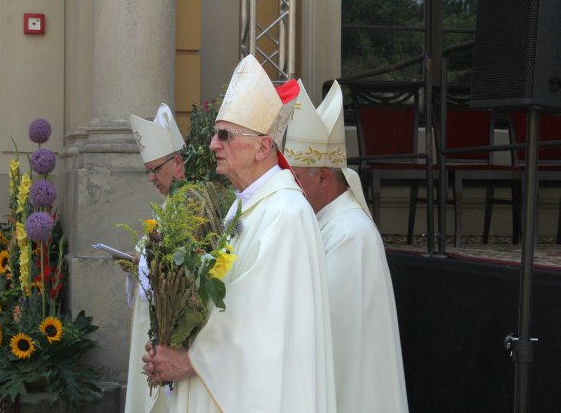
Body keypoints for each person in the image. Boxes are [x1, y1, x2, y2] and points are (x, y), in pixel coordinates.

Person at [141, 54, 337, 413]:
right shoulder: (242, 205)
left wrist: (190, 359)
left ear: (263, 147)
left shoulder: (287, 213)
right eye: (216, 133)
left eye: (225, 135)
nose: (213, 144)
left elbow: (265, 329)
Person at [284, 79, 409, 413]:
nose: (289, 188)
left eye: (296, 178)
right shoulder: (326, 221)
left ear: (324, 177)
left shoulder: (351, 232)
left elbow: (325, 322)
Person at [124, 103, 185, 413]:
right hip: (150, 320)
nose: (151, 178)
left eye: (155, 170)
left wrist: (145, 261)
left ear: (178, 163)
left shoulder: (190, 207)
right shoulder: (167, 208)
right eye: (147, 171)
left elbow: (184, 268)